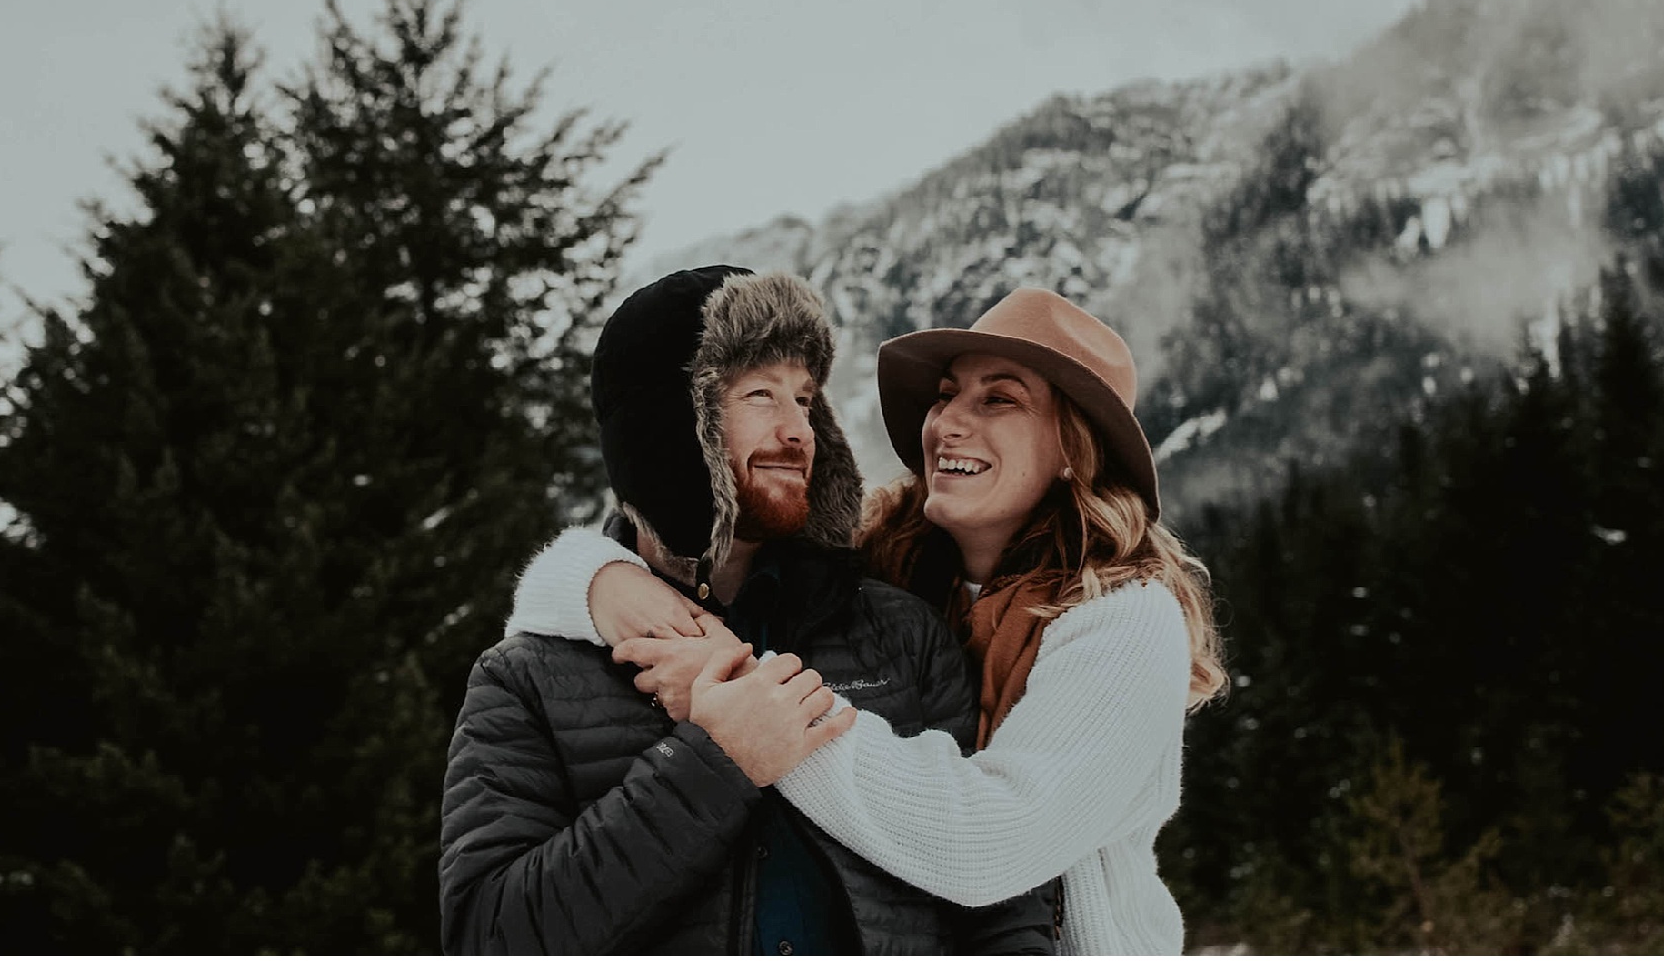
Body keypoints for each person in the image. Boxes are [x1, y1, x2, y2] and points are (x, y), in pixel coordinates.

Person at [520, 286, 1229, 954]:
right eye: (948, 394)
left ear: (1076, 452)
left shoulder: (1124, 622)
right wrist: (601, 580)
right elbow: (572, 587)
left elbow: (990, 845)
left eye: (999, 400)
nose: (949, 420)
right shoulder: (895, 569)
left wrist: (746, 694)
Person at [438, 265, 1057, 955]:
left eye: (805, 398)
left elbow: (1002, 902)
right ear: (670, 424)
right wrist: (712, 763)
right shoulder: (529, 678)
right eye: (761, 395)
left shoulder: (901, 636)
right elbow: (487, 936)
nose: (800, 430)